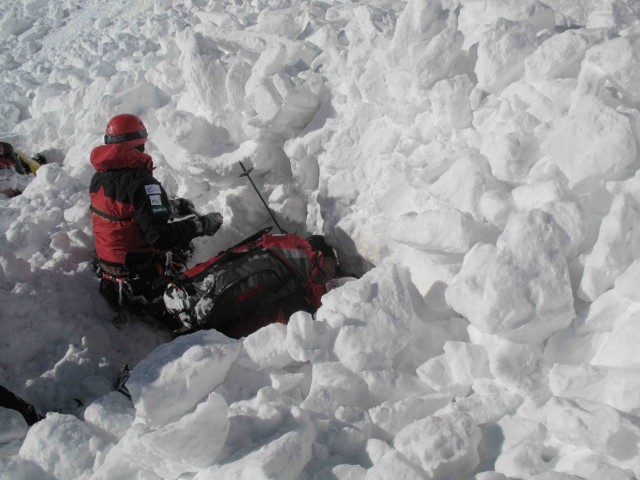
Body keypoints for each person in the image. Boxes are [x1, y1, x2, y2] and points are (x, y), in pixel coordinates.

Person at [89, 113, 223, 326]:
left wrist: (168, 207)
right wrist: (200, 225)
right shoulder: (143, 183)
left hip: (109, 270)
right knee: (183, 245)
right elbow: (159, 237)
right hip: (138, 276)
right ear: (139, 145)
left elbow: (125, 212)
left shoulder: (99, 177)